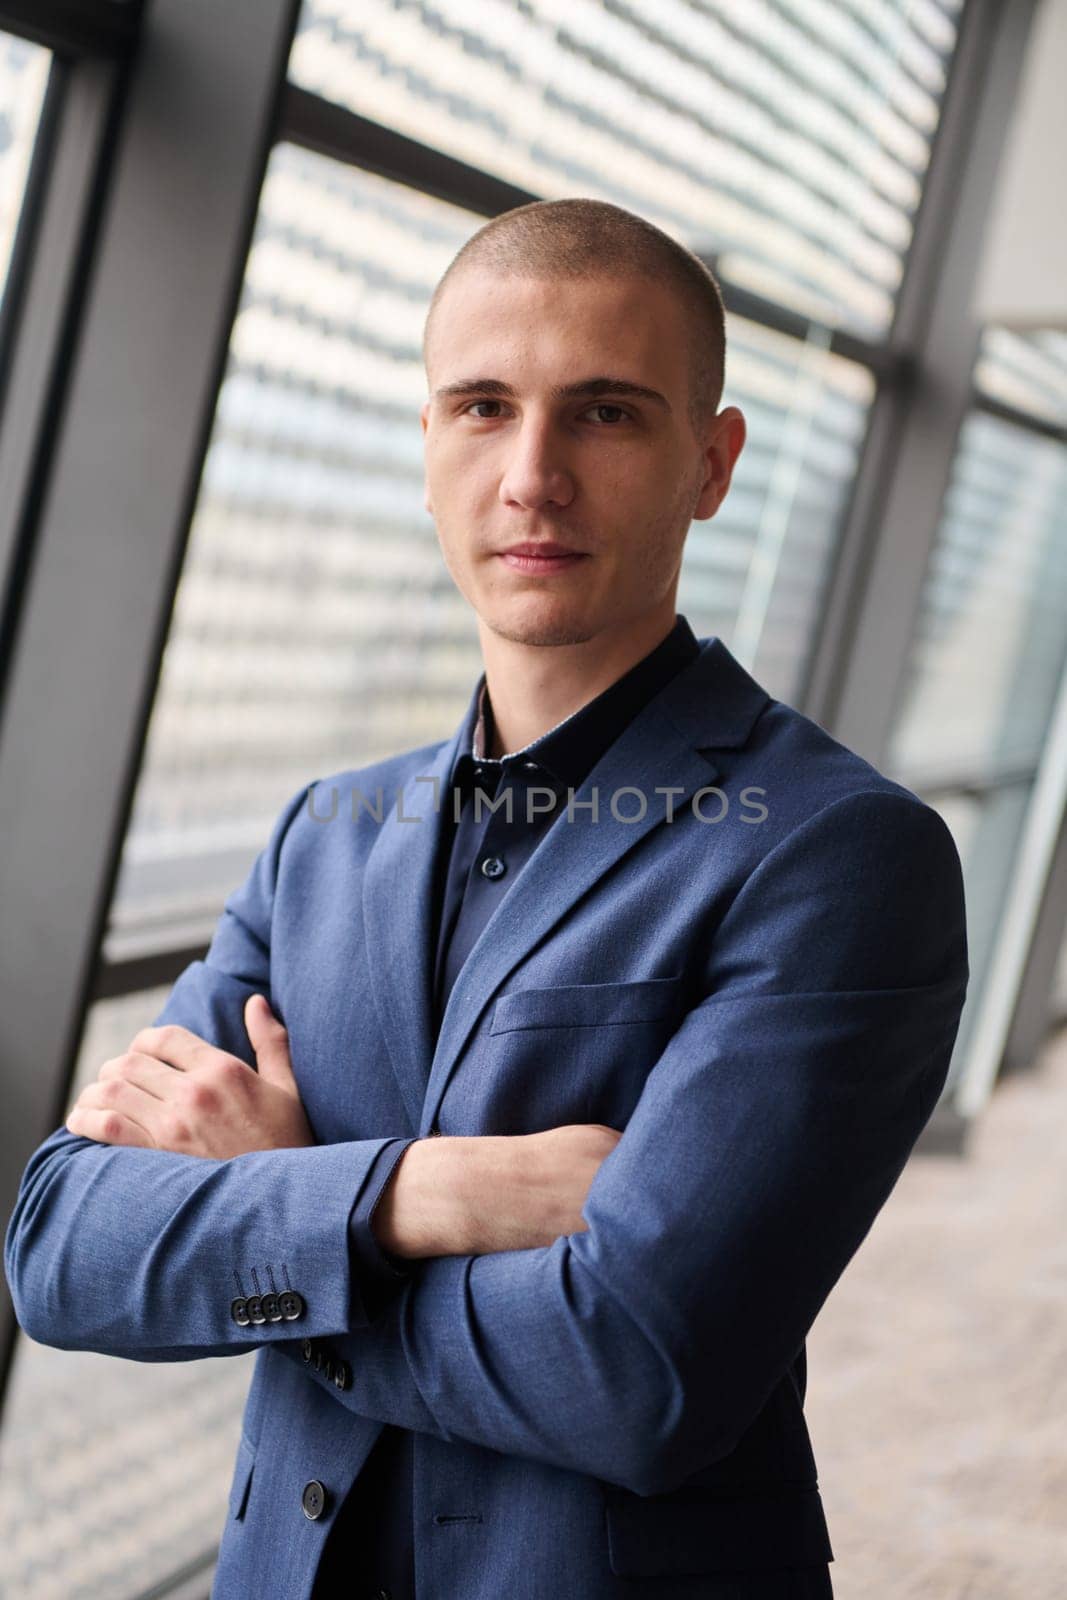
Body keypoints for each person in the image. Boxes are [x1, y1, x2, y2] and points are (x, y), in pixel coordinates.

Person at [5, 198, 969, 1600]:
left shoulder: (837, 853)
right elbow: (59, 1249)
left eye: (605, 416)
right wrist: (415, 1196)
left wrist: (274, 1219)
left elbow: (635, 1369)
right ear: (427, 449)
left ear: (712, 462)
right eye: (481, 407)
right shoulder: (323, 836)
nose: (531, 475)